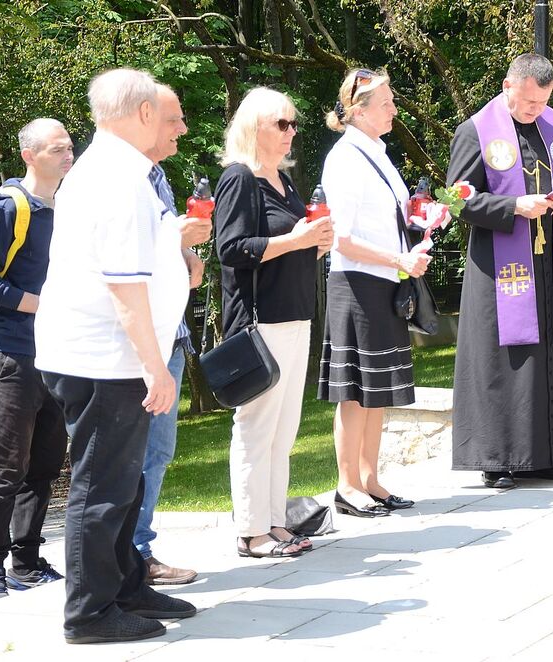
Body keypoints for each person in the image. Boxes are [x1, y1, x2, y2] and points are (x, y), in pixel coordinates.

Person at [35, 68, 196, 645]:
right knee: (102, 487)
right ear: (144, 113)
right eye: (164, 111)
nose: (171, 123)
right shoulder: (118, 180)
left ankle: (126, 585)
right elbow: (125, 288)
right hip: (106, 358)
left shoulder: (116, 171)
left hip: (105, 354)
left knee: (122, 483)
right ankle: (90, 613)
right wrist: (154, 366)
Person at [447, 53, 553, 490]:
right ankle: (499, 458)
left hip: (551, 266)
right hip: (500, 267)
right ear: (508, 85)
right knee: (507, 359)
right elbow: (458, 201)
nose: (535, 110)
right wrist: (513, 206)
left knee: (551, 351)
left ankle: (550, 453)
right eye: (528, 102)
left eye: (542, 102)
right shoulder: (475, 131)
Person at [214, 87, 333, 557]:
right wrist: (295, 240)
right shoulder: (239, 179)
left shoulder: (285, 182)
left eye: (294, 124)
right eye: (281, 124)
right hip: (260, 323)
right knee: (256, 428)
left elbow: (289, 244)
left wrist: (315, 244)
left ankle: (276, 522)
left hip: (295, 316)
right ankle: (250, 531)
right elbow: (231, 249)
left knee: (283, 432)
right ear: (253, 127)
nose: (291, 133)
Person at [0, 118, 73, 603]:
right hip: (11, 353)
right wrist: (37, 303)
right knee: (7, 464)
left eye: (70, 146)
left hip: (59, 354)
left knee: (46, 464)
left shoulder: (70, 206)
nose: (68, 155)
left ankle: (27, 560)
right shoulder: (11, 207)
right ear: (30, 155)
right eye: (56, 149)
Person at [318, 69, 431, 516]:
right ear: (358, 111)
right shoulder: (345, 158)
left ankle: (371, 480)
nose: (393, 109)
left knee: (377, 388)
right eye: (385, 103)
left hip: (382, 280)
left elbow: (392, 216)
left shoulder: (378, 153)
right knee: (355, 391)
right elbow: (341, 237)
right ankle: (348, 485)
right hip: (357, 282)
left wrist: (424, 216)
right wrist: (399, 260)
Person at [134, 83, 210, 585]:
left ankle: (137, 553)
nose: (183, 128)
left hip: (172, 334)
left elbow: (168, 258)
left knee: (157, 454)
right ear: (145, 117)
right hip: (139, 343)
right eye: (174, 119)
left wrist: (186, 254)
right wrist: (174, 242)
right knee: (128, 458)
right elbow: (122, 265)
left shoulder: (156, 176)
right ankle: (125, 563)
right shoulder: (115, 181)